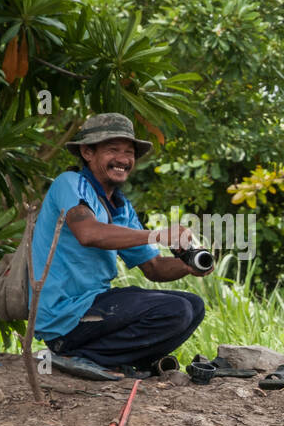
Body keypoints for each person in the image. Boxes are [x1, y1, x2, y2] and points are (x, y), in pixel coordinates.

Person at [30, 113, 209, 381]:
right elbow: (88, 233)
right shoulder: (69, 183)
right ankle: (77, 356)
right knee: (176, 310)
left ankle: (119, 362)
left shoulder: (120, 206)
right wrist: (159, 235)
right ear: (87, 152)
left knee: (193, 305)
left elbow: (153, 268)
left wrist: (188, 265)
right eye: (113, 150)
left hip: (94, 306)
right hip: (63, 315)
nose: (123, 159)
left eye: (129, 152)